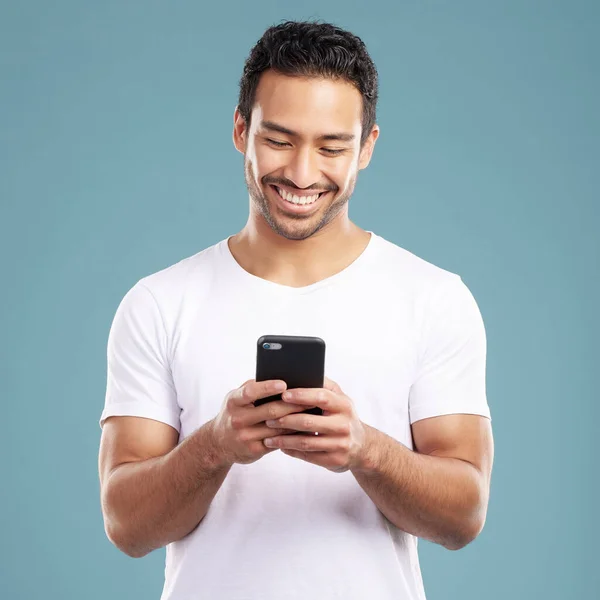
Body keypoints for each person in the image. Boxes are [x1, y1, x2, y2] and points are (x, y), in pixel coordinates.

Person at [98, 20, 494, 600]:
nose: (302, 174)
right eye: (279, 140)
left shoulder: (434, 298)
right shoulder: (158, 303)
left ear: (367, 148)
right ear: (241, 130)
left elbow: (464, 517)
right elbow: (126, 527)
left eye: (332, 146)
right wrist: (215, 446)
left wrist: (366, 450)